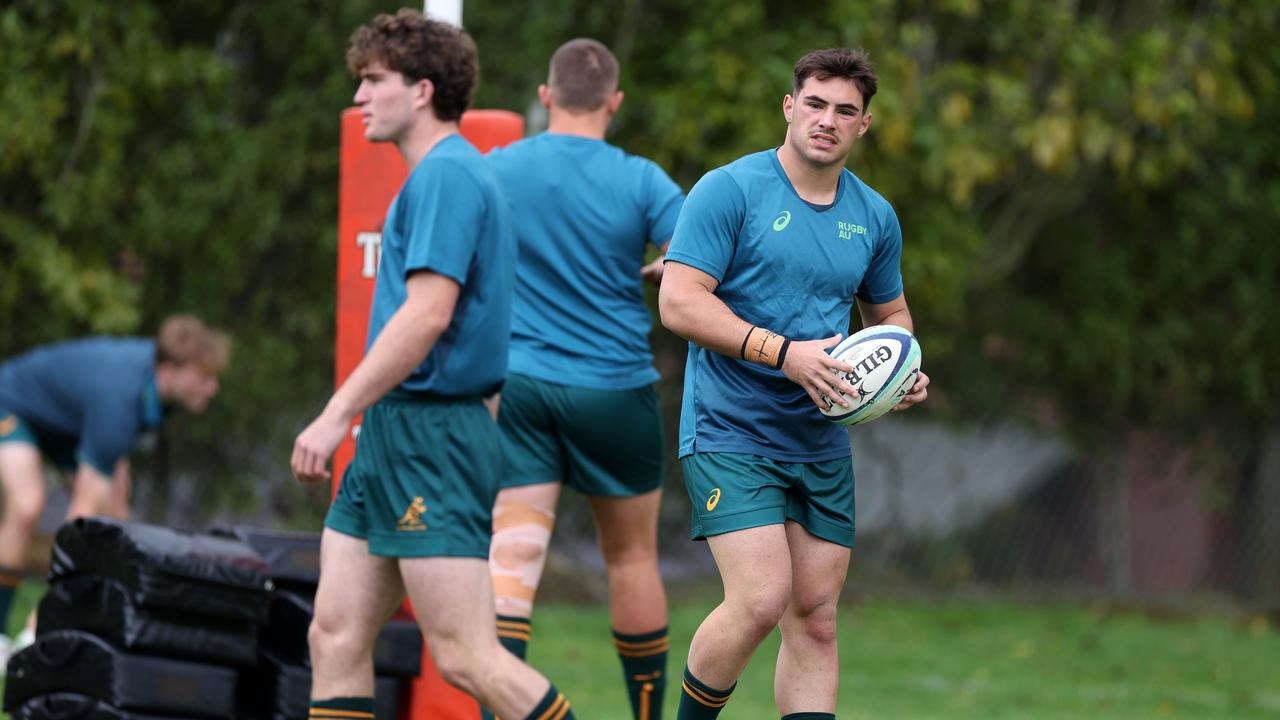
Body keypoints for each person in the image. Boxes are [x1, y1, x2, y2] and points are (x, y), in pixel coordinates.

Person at [289, 11, 576, 720]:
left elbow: (427, 316)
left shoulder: (448, 176)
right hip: (393, 436)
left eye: (373, 81)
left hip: (433, 440)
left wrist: (333, 415)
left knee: (465, 657)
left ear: (421, 90)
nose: (358, 97)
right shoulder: (432, 178)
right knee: (335, 633)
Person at [657, 48, 931, 719]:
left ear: (863, 126)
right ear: (789, 106)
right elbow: (680, 301)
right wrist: (786, 356)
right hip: (730, 426)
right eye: (815, 103)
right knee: (758, 600)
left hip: (819, 436)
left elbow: (889, 316)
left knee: (815, 617)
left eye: (845, 111)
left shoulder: (873, 217)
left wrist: (904, 370)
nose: (827, 120)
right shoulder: (730, 190)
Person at [483, 38, 683, 720]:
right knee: (630, 560)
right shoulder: (642, 179)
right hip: (613, 391)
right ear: (614, 103)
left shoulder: (498, 168)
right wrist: (660, 271)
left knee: (511, 564)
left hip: (518, 388)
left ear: (546, 98)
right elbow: (700, 263)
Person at [0, 314, 230, 668]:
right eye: (203, 377)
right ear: (169, 371)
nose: (212, 387)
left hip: (66, 424)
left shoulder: (150, 383)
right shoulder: (119, 400)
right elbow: (82, 512)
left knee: (117, 520)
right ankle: (22, 632)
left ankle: (95, 629)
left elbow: (112, 480)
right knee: (30, 505)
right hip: (12, 400)